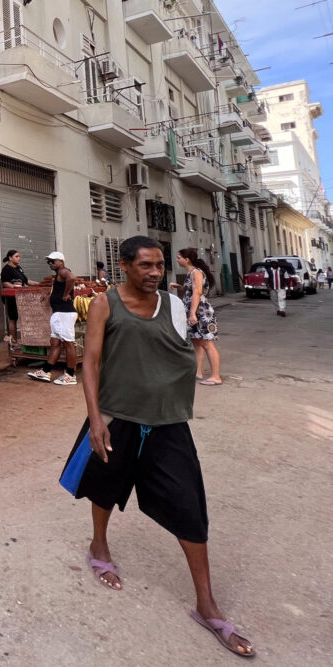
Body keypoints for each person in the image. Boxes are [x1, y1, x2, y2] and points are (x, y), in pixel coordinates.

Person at [58, 235, 254, 658]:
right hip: (117, 415)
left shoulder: (175, 304)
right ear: (125, 265)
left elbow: (176, 351)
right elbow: (90, 361)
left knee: (189, 504)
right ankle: (99, 545)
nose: (154, 272)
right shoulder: (103, 304)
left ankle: (206, 604)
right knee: (105, 485)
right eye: (145, 265)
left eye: (159, 265)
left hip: (166, 422)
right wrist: (95, 418)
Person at [171, 248, 221, 386]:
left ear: (187, 259)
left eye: (178, 257)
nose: (177, 260)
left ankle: (215, 376)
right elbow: (192, 290)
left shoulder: (196, 272)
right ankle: (197, 372)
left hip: (201, 313)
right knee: (197, 343)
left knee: (207, 344)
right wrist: (180, 287)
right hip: (195, 311)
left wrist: (193, 313)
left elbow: (197, 293)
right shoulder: (192, 272)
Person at [27, 251, 77, 385]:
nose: (50, 263)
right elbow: (59, 288)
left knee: (68, 343)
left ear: (61, 261)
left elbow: (72, 278)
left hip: (64, 313)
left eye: (53, 261)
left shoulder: (63, 271)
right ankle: (46, 371)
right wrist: (50, 296)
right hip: (59, 313)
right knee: (55, 343)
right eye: (49, 261)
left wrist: (66, 294)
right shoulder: (58, 275)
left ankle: (70, 375)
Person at [0, 249, 40, 343]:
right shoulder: (6, 270)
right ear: (10, 258)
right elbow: (5, 283)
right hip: (11, 298)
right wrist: (14, 287)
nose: (19, 258)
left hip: (21, 297)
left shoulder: (19, 268)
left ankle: (26, 340)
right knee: (13, 318)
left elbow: (26, 281)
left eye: (19, 256)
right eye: (16, 256)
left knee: (24, 318)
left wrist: (38, 284)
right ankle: (13, 340)